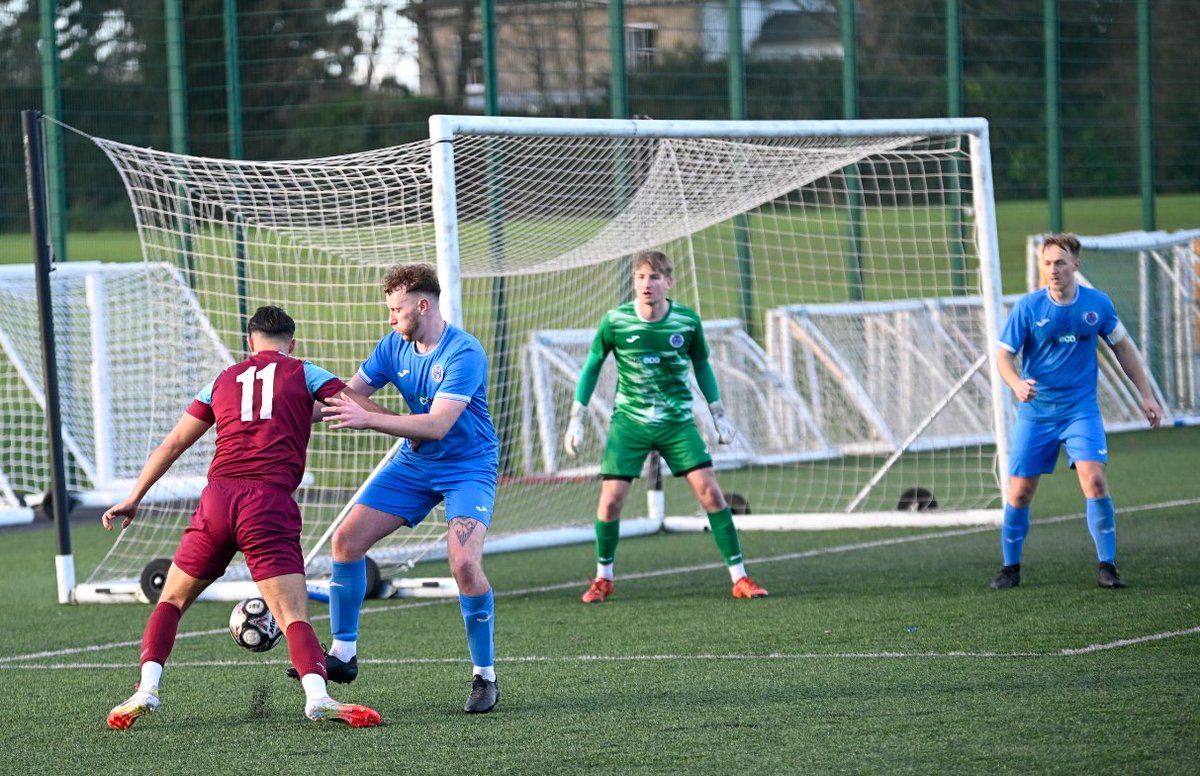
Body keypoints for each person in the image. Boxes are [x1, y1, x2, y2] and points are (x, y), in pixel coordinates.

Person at [103, 306, 382, 730]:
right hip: (267, 504)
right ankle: (319, 697)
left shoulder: (220, 380)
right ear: (293, 343)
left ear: (249, 342)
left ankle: (145, 690)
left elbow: (174, 443)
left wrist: (134, 497)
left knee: (172, 600)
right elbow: (357, 405)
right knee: (291, 616)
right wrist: (411, 424)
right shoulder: (304, 371)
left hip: (217, 500)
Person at [298, 263, 501, 714]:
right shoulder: (393, 345)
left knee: (464, 565)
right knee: (346, 541)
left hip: (468, 467)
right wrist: (282, 413)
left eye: (396, 309)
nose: (390, 318)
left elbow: (436, 424)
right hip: (415, 464)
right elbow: (346, 394)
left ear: (422, 305)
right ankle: (344, 655)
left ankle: (484, 677)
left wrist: (370, 417)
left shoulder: (463, 353)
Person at [563, 249, 768, 603]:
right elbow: (593, 365)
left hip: (676, 423)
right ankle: (603, 578)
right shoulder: (616, 321)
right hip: (629, 423)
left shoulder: (686, 321)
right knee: (610, 501)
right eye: (640, 277)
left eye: (654, 277)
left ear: (668, 283)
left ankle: (741, 578)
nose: (647, 284)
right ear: (633, 283)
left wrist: (718, 413)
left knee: (710, 492)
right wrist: (576, 417)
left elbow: (702, 364)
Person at [990, 233, 1162, 591]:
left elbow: (1123, 348)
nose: (1053, 270)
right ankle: (1010, 568)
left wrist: (1146, 395)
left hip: (1080, 410)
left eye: (1060, 263)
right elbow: (1003, 356)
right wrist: (1017, 384)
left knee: (1095, 480)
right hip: (1036, 413)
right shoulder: (1028, 307)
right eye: (1047, 263)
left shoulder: (1097, 304)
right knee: (1020, 492)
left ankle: (1107, 567)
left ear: (1075, 266)